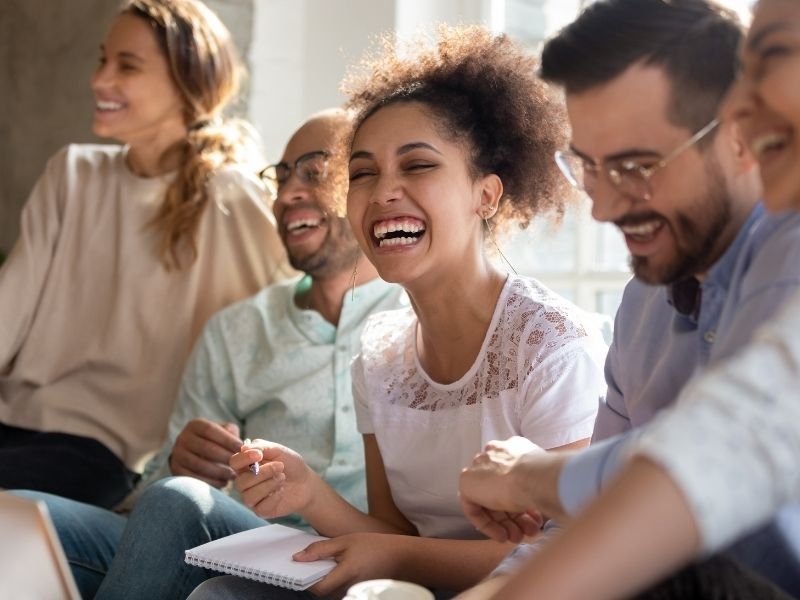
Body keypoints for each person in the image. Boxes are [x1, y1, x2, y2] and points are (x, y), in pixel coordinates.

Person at [188, 25, 608, 600]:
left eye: (417, 166)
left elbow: (566, 552)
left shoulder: (553, 345)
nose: (383, 191)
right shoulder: (382, 357)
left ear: (485, 194)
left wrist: (393, 554)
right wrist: (309, 494)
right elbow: (397, 534)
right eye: (362, 174)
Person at [455, 0, 800, 597]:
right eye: (587, 167)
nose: (604, 206)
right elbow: (585, 519)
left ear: (741, 133)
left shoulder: (788, 252)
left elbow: (713, 453)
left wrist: (528, 475)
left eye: (637, 166)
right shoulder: (644, 303)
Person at [12, 108, 406, 599]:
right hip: (232, 538)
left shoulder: (417, 320)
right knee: (19, 517)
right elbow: (158, 494)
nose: (286, 196)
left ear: (367, 183)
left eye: (314, 172)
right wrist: (182, 464)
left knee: (179, 503)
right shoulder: (238, 328)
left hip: (349, 561)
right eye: (280, 178)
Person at [0, 0, 292, 509]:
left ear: (188, 80)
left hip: (107, 458)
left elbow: (271, 335)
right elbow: (8, 313)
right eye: (101, 60)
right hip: (12, 424)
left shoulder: (231, 196)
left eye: (127, 66)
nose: (99, 80)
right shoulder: (71, 173)